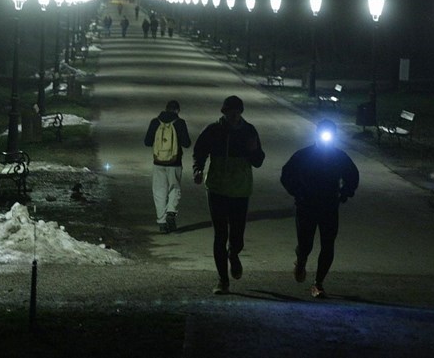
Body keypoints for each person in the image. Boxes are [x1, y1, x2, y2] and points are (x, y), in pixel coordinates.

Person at [193, 96, 265, 294]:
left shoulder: (249, 131)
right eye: (230, 111)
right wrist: (198, 169)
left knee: (237, 237)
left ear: (241, 112)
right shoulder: (214, 130)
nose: (234, 115)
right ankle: (222, 280)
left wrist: (252, 151)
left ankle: (233, 254)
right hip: (217, 188)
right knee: (220, 235)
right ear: (223, 112)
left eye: (237, 111)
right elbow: (199, 151)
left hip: (240, 190)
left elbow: (259, 160)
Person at [280, 119, 359, 298]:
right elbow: (287, 174)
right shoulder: (303, 155)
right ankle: (301, 260)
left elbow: (352, 175)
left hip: (329, 206)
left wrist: (345, 193)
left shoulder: (339, 157)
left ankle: (318, 283)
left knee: (328, 244)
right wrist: (297, 192)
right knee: (305, 243)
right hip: (306, 205)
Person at [144, 100, 191, 233]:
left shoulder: (155, 122)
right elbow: (187, 143)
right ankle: (171, 211)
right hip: (175, 163)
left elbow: (147, 142)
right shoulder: (180, 123)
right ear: (177, 111)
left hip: (158, 162)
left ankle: (162, 223)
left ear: (165, 109)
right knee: (174, 188)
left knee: (159, 191)